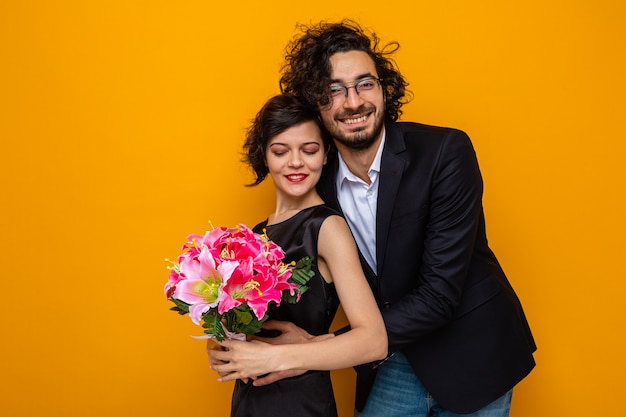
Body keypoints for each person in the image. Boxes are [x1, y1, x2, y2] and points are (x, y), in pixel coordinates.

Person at [217, 20, 537, 417]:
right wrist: (228, 331)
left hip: (472, 355)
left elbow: (439, 296)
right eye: (334, 90)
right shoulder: (317, 181)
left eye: (365, 84)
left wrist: (316, 348)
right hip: (391, 361)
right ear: (316, 104)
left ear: (384, 89)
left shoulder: (445, 152)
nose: (353, 102)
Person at [208, 93, 388, 417]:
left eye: (309, 150)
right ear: (264, 155)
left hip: (300, 403)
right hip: (249, 402)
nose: (296, 162)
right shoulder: (252, 235)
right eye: (281, 151)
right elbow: (241, 329)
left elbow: (373, 341)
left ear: (326, 154)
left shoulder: (326, 227)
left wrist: (275, 358)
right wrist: (222, 345)